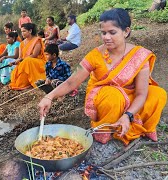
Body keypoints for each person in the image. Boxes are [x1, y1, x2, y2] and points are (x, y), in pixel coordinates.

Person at [38, 8, 167, 145]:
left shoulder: (139, 56)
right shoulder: (95, 55)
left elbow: (141, 94)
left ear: (126, 31)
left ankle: (132, 125)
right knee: (114, 96)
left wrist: (127, 115)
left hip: (131, 99)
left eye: (112, 32)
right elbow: (71, 82)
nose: (106, 37)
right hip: (106, 98)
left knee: (158, 94)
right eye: (103, 33)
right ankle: (107, 130)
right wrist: (49, 97)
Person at [9, 23, 47, 90]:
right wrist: (15, 62)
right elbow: (20, 57)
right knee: (17, 81)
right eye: (21, 31)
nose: (22, 33)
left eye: (24, 31)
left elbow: (34, 55)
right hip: (25, 63)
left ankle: (34, 80)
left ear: (30, 31)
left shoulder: (37, 40)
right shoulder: (21, 43)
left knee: (28, 60)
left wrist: (22, 60)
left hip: (36, 63)